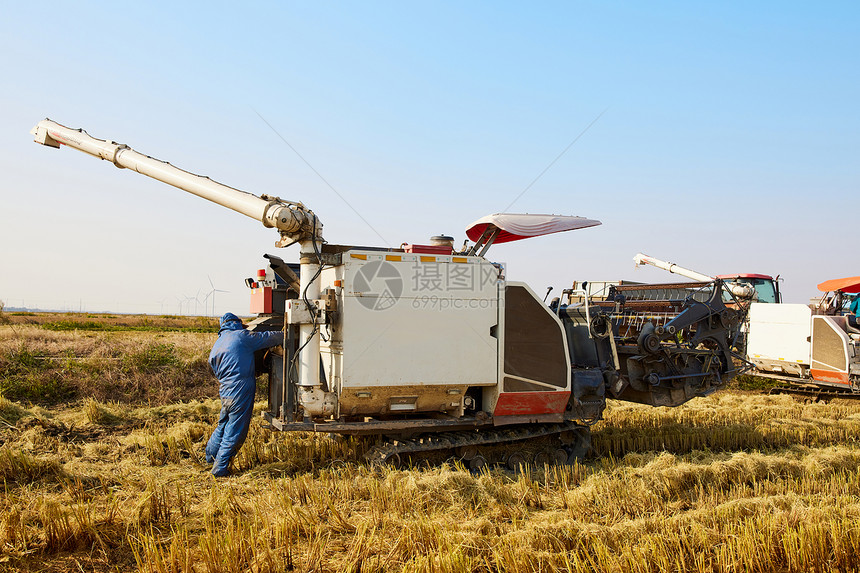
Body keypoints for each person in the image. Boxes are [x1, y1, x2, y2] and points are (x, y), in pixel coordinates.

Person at [205, 312, 283, 477]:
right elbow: (267, 338)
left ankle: (209, 457)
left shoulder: (219, 343)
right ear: (237, 323)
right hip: (241, 388)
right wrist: (287, 333)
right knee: (235, 430)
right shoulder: (241, 336)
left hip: (225, 389)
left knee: (223, 424)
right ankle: (220, 469)